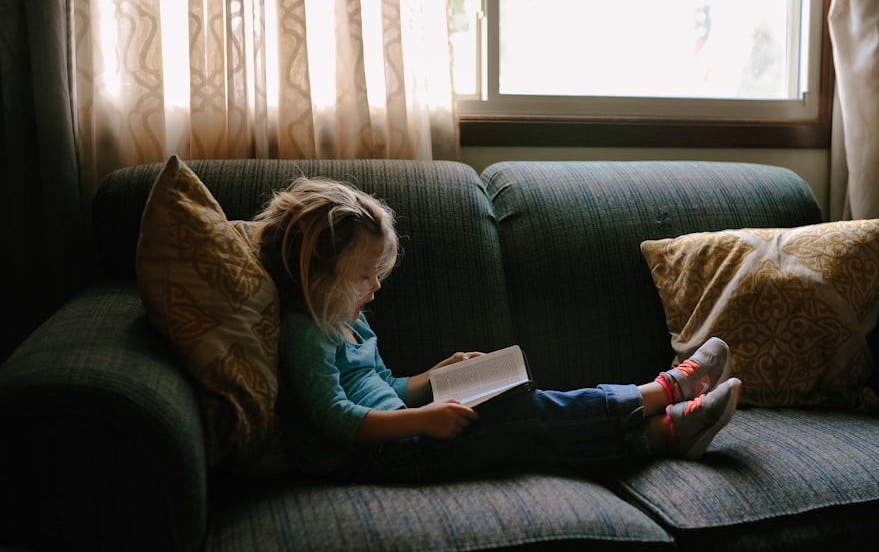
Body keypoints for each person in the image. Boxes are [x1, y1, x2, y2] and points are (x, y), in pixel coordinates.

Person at [254, 177, 742, 482]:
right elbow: (337, 418)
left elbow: (386, 387)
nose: (376, 286)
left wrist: (435, 376)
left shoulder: (347, 317)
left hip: (401, 432)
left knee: (519, 408)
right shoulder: (306, 332)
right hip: (380, 458)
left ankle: (663, 432)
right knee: (520, 414)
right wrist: (424, 419)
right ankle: (665, 391)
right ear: (317, 275)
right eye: (363, 276)